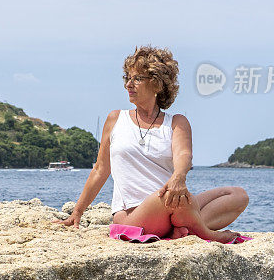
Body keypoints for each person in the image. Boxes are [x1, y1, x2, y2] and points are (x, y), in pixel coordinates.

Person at [54, 45, 249, 242]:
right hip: (134, 216)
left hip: (172, 199)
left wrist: (179, 177)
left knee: (237, 195)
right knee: (172, 199)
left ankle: (181, 228)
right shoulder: (115, 119)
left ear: (157, 84)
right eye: (127, 78)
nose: (128, 84)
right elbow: (100, 169)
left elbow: (183, 155)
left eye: (137, 78)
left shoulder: (176, 122)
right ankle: (206, 233)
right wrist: (77, 211)